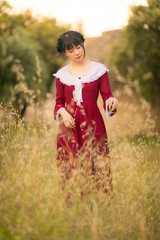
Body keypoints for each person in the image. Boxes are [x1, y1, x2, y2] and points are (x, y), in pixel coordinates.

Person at [53, 30, 118, 194]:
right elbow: (58, 103)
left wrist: (112, 101)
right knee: (72, 169)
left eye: (78, 47)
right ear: (65, 53)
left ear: (83, 44)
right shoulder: (62, 75)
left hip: (93, 124)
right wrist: (64, 113)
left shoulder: (99, 70)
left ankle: (102, 208)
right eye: (70, 50)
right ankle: (76, 209)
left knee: (99, 165)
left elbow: (107, 96)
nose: (76, 52)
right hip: (69, 128)